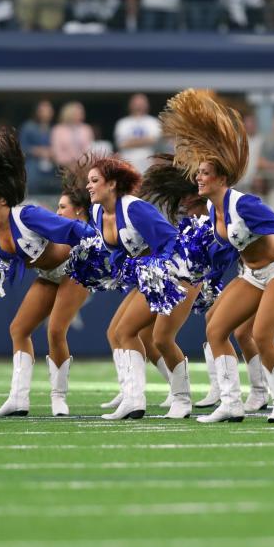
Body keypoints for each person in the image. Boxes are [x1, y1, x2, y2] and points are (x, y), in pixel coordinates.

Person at [161, 88, 274, 423]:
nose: (198, 177)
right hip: (252, 274)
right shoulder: (213, 208)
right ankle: (232, 403)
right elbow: (222, 251)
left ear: (221, 178)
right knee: (216, 327)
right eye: (198, 173)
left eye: (204, 173)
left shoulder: (245, 204)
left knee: (262, 335)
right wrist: (200, 275)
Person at [0, 128, 97, 418]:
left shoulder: (27, 215)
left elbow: (72, 229)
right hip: (46, 276)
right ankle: (18, 399)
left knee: (55, 330)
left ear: (3, 199)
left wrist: (100, 245)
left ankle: (58, 399)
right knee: (18, 329)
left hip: (72, 271)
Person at [86, 153, 199, 420]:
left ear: (112, 184)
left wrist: (158, 264)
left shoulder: (134, 208)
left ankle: (164, 399)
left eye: (94, 180)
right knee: (116, 331)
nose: (89, 186)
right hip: (149, 276)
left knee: (149, 336)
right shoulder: (96, 212)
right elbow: (118, 250)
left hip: (175, 271)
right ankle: (132, 395)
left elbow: (171, 239)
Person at [114, 93, 161, 174]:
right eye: (136, 104)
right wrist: (145, 140)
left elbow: (155, 140)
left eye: (142, 103)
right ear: (130, 105)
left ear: (147, 105)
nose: (139, 106)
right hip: (127, 162)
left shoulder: (153, 122)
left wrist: (131, 141)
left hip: (148, 162)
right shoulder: (123, 123)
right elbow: (121, 144)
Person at [19, 100, 56, 195]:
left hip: (51, 164)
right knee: (32, 181)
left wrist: (53, 152)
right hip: (33, 164)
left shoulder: (54, 129)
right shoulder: (28, 127)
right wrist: (37, 151)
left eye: (49, 110)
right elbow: (21, 148)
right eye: (43, 110)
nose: (46, 113)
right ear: (37, 111)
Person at [50, 102, 95, 169]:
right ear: (69, 113)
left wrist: (82, 162)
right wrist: (69, 163)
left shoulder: (86, 129)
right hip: (63, 167)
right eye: (77, 113)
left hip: (84, 167)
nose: (81, 115)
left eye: (82, 113)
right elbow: (56, 151)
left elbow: (90, 149)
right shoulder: (58, 130)